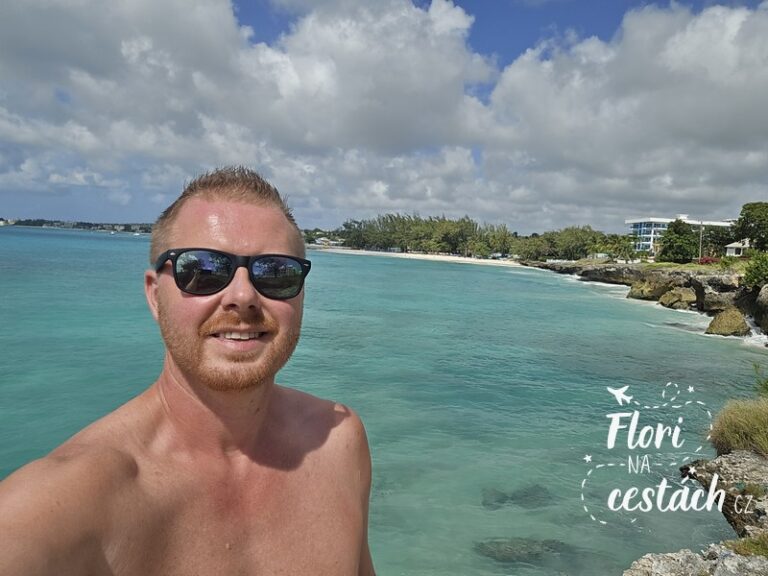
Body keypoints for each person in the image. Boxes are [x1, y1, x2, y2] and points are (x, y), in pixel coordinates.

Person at [0, 167, 376, 575]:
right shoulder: (65, 504)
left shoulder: (339, 442)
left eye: (275, 272)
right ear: (154, 295)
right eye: (203, 270)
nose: (243, 296)